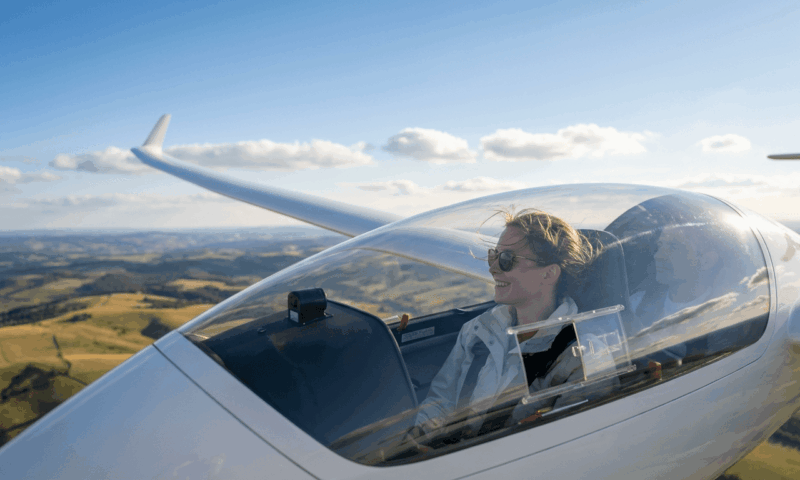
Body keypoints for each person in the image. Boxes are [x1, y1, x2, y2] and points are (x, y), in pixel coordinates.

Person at [414, 208, 596, 436]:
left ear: (549, 274)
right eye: (494, 255)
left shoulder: (582, 355)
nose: (492, 268)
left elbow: (567, 444)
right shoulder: (477, 330)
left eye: (506, 259)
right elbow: (441, 402)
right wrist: (420, 438)